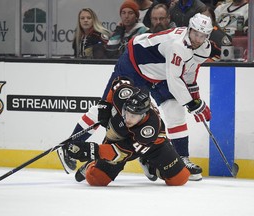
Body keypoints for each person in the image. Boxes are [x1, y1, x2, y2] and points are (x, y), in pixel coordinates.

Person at [58, 13, 213, 181]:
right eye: (195, 33)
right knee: (105, 110)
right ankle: (68, 149)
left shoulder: (204, 48)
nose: (198, 39)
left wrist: (195, 98)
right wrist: (191, 102)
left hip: (159, 74)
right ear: (189, 29)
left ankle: (182, 158)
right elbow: (175, 79)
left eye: (202, 35)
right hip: (134, 65)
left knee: (175, 110)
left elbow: (189, 72)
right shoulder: (177, 45)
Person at [62, 78, 190, 186]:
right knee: (96, 179)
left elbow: (121, 152)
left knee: (180, 178)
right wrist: (105, 106)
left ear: (143, 115)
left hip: (150, 144)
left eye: (134, 116)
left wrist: (94, 150)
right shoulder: (124, 95)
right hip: (118, 138)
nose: (128, 119)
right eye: (127, 113)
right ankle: (92, 164)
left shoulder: (149, 128)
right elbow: (118, 81)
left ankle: (149, 163)